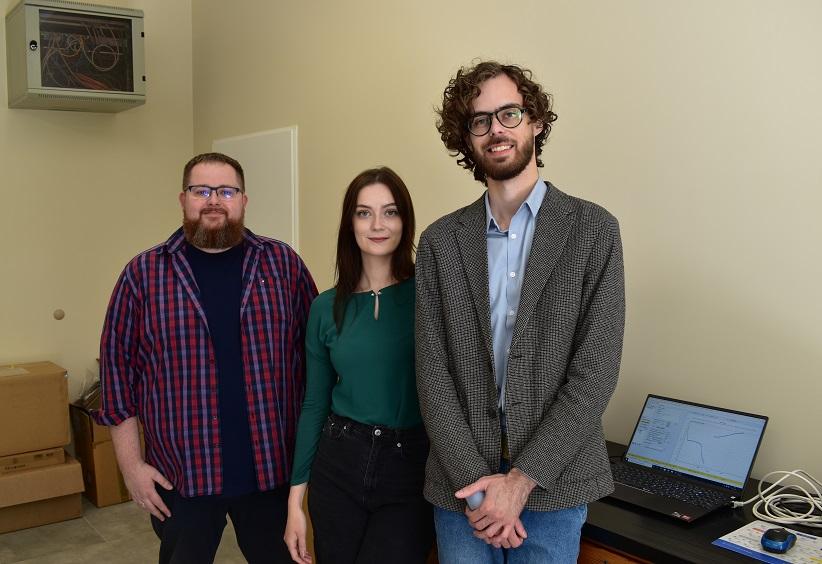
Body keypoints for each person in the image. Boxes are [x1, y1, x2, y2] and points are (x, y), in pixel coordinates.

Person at [415, 61, 626, 563]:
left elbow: (594, 372)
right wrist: (480, 485)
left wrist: (520, 482)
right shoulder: (440, 242)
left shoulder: (594, 230)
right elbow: (433, 373)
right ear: (466, 139)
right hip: (461, 488)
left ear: (535, 121)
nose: (496, 130)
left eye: (509, 113)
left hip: (556, 484)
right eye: (479, 120)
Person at [94, 152, 318, 564]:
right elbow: (116, 378)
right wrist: (131, 468)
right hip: (182, 476)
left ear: (243, 200)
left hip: (271, 472)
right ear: (183, 199)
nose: (214, 200)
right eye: (202, 190)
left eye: (226, 190)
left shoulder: (283, 265)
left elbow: (317, 365)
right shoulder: (142, 275)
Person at [284, 167, 433, 564]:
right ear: (350, 223)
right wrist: (295, 504)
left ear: (406, 221)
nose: (378, 225)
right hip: (338, 464)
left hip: (410, 466)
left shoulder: (430, 296)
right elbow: (314, 404)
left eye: (390, 212)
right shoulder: (324, 308)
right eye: (364, 213)